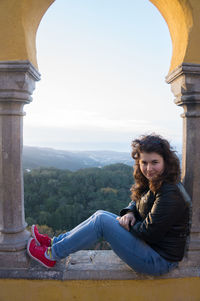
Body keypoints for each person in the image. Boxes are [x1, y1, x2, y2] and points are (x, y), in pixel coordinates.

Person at [27, 134, 191, 275]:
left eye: (154, 162)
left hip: (158, 260)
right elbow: (138, 201)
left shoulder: (170, 192)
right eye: (144, 162)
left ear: (166, 162)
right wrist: (129, 213)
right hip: (149, 248)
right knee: (100, 215)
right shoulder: (156, 180)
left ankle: (50, 255)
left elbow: (149, 233)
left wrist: (126, 225)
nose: (148, 168)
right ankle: (54, 243)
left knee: (102, 222)